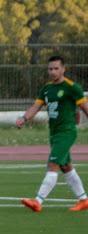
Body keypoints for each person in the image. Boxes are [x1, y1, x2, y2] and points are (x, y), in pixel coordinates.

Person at [16, 56, 88, 212]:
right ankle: (83, 199)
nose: (53, 72)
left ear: (63, 69)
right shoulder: (46, 88)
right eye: (50, 69)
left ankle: (38, 200)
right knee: (66, 166)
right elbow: (36, 106)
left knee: (52, 164)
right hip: (54, 132)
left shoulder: (72, 88)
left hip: (66, 132)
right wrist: (24, 118)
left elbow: (85, 108)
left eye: (56, 68)